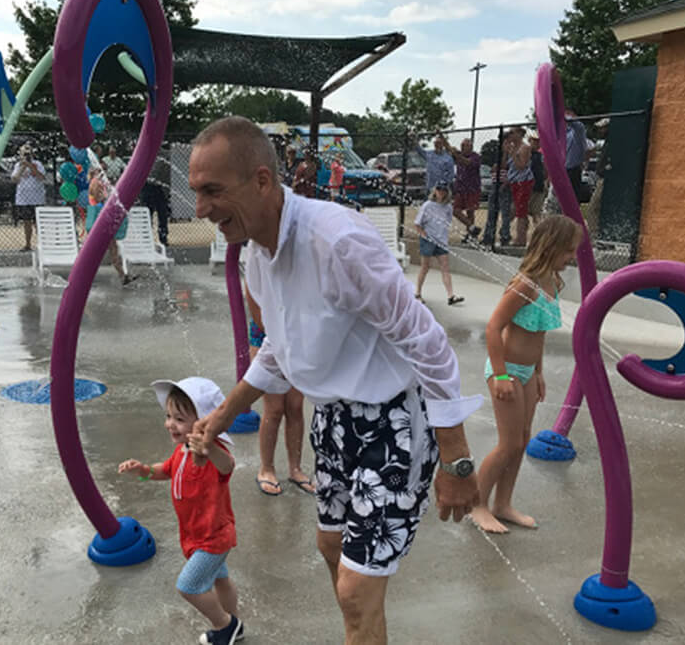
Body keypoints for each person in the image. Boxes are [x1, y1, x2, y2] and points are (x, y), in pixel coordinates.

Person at [188, 116, 481, 645]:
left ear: (260, 181)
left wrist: (456, 459)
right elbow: (280, 346)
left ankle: (359, 623)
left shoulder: (337, 242)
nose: (200, 209)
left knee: (353, 590)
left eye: (213, 191)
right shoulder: (257, 254)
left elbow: (427, 340)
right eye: (196, 193)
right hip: (335, 421)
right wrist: (225, 415)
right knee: (333, 552)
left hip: (393, 422)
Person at [470, 215, 582, 534]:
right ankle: (477, 504)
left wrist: (540, 372)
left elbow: (540, 334)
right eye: (568, 251)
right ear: (552, 247)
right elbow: (494, 327)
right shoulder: (526, 284)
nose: (572, 257)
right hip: (505, 371)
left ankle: (502, 504)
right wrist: (502, 375)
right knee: (507, 444)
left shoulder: (552, 283)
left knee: (520, 442)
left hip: (528, 372)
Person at [117, 377, 243, 645]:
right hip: (196, 536)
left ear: (206, 422)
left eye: (179, 418)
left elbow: (227, 466)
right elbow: (166, 470)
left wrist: (208, 448)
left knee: (188, 586)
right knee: (221, 579)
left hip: (213, 537)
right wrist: (143, 471)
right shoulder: (182, 450)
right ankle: (235, 623)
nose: (170, 424)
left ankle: (226, 624)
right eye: (168, 416)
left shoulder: (213, 453)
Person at [244, 284, 314, 496]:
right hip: (267, 335)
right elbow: (257, 312)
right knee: (274, 408)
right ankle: (266, 468)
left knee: (295, 405)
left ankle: (295, 469)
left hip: (298, 334)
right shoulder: (259, 261)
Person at [415, 181, 463, 306]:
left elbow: (446, 223)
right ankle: (418, 293)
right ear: (434, 191)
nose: (441, 192)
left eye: (444, 190)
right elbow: (417, 224)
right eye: (439, 190)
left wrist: (444, 238)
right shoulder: (427, 206)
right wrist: (425, 236)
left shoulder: (448, 207)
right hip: (428, 240)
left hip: (441, 241)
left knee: (445, 267)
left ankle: (451, 295)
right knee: (425, 267)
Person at [85, 167, 136, 286]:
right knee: (104, 250)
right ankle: (84, 277)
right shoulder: (95, 183)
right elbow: (99, 199)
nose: (103, 173)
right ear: (95, 173)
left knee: (112, 248)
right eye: (100, 171)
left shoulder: (97, 182)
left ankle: (123, 276)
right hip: (99, 220)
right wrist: (107, 197)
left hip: (100, 220)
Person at [446, 138, 482, 241]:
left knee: (470, 211)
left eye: (464, 146)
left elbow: (466, 162)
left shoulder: (476, 157)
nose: (462, 148)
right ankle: (472, 228)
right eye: (461, 146)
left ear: (470, 147)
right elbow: (449, 148)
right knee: (455, 210)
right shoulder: (458, 155)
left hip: (472, 188)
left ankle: (471, 235)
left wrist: (457, 155)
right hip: (460, 188)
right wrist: (441, 136)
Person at [12, 143, 46, 251]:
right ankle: (28, 244)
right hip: (23, 199)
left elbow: (41, 177)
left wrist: (31, 166)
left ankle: (41, 244)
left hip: (37, 198)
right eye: (24, 153)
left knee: (38, 223)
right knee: (27, 222)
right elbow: (14, 179)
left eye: (29, 153)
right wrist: (23, 167)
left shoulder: (38, 164)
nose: (27, 155)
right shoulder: (18, 165)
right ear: (20, 154)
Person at [505, 129, 534, 247]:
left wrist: (512, 153)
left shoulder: (524, 148)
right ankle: (512, 233)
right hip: (514, 181)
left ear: (520, 134)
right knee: (514, 209)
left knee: (521, 211)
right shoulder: (512, 148)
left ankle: (520, 239)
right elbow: (508, 165)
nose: (510, 135)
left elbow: (521, 166)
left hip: (523, 181)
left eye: (513, 133)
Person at [139, 146, 171, 245]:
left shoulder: (165, 155)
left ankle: (163, 237)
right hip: (148, 186)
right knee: (148, 213)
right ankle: (146, 237)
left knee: (162, 214)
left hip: (159, 188)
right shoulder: (145, 153)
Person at [565, 109, 588, 204]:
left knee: (573, 198)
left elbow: (577, 125)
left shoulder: (578, 131)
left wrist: (566, 117)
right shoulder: (564, 133)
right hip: (563, 170)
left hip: (573, 170)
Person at [526, 131, 547, 230]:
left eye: (538, 141)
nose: (537, 143)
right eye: (534, 141)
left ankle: (539, 233)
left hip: (538, 186)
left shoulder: (540, 155)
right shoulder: (526, 153)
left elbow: (545, 170)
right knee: (523, 212)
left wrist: (545, 180)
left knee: (536, 212)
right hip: (527, 186)